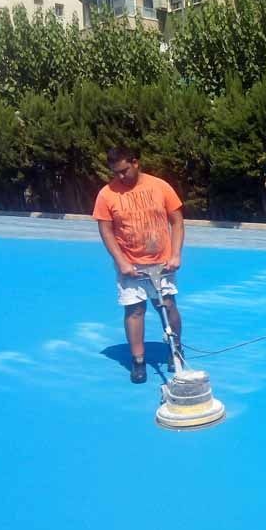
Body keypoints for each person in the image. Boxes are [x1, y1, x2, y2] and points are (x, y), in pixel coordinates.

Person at [93, 146, 185, 384]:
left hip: (162, 262)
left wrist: (175, 255)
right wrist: (121, 261)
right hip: (131, 264)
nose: (120, 177)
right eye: (115, 173)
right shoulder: (107, 194)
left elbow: (177, 222)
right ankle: (138, 361)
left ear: (135, 162)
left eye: (124, 171)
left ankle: (176, 350)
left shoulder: (160, 186)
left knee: (168, 305)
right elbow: (106, 231)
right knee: (134, 311)